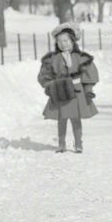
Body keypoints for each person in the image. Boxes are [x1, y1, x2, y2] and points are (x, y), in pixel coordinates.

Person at [38, 22, 99, 153]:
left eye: (65, 40)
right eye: (59, 41)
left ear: (72, 41)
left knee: (75, 118)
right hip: (60, 92)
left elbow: (89, 76)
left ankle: (78, 143)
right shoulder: (53, 58)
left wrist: (88, 91)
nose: (63, 44)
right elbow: (45, 75)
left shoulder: (81, 58)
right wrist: (50, 86)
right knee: (62, 119)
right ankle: (61, 143)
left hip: (76, 92)